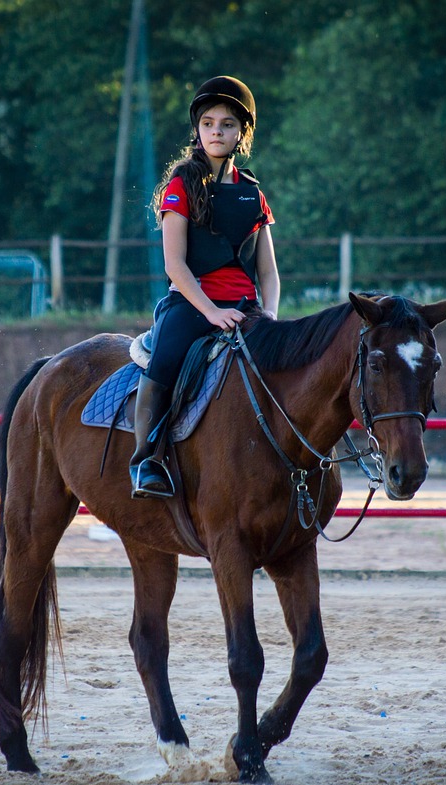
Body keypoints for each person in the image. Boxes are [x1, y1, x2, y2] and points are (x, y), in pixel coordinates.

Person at [129, 75, 282, 499]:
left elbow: (268, 273)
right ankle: (146, 460)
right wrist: (212, 313)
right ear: (197, 130)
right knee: (166, 359)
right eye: (209, 123)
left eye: (228, 124)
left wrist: (269, 314)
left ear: (242, 133)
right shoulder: (179, 186)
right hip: (192, 305)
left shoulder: (254, 194)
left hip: (246, 307)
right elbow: (174, 266)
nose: (217, 131)